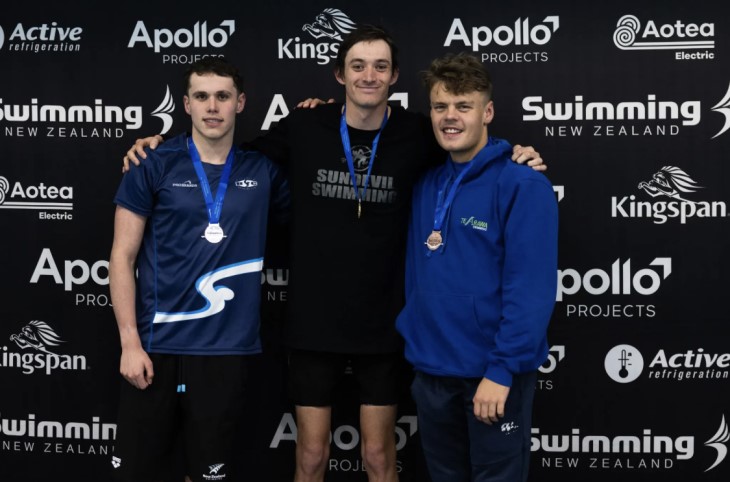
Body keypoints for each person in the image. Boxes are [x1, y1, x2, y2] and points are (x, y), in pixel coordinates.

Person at [122, 26, 545, 482]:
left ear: (394, 76)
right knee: (310, 457)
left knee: (381, 459)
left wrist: (513, 152)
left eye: (380, 66)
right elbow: (226, 155)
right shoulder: (306, 125)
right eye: (357, 65)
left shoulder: (421, 134)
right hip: (312, 323)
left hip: (384, 324)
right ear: (339, 74)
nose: (369, 75)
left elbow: (467, 148)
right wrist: (156, 149)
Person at [109, 57, 288, 482]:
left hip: (226, 350)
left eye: (223, 96)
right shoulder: (153, 163)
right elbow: (121, 256)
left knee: (207, 474)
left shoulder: (263, 171)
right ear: (186, 104)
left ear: (240, 103)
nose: (213, 106)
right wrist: (129, 344)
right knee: (138, 472)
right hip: (157, 346)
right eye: (202, 96)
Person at [395, 52, 558, 482]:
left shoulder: (523, 184)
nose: (450, 117)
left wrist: (502, 371)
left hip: (491, 378)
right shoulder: (426, 183)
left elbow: (531, 290)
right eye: (440, 106)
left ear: (487, 112)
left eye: (463, 106)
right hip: (432, 375)